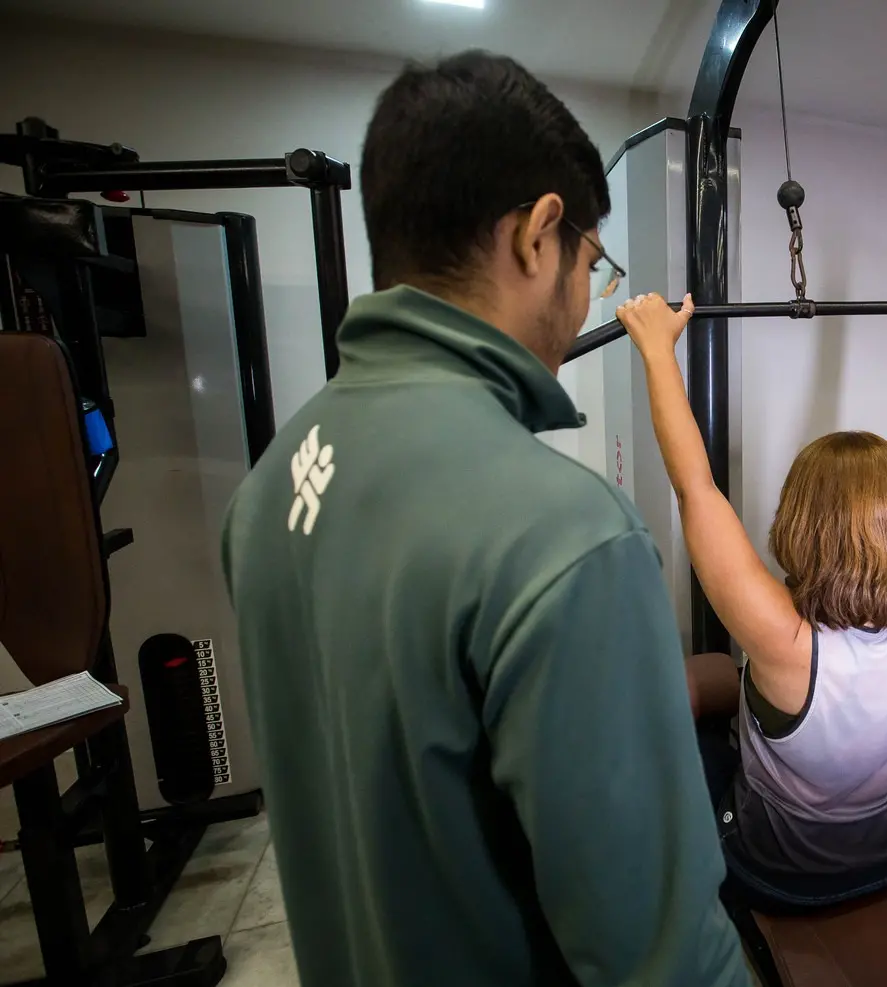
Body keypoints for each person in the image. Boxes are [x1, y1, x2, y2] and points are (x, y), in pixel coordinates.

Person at [221, 52, 750, 987]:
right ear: (539, 234)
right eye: (594, 261)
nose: (586, 291)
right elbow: (666, 963)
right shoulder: (569, 537)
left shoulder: (273, 483)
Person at [615, 290, 887, 909]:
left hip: (780, 873)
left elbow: (695, 487)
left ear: (797, 521)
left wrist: (656, 349)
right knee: (723, 673)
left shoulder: (784, 636)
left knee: (671, 727)